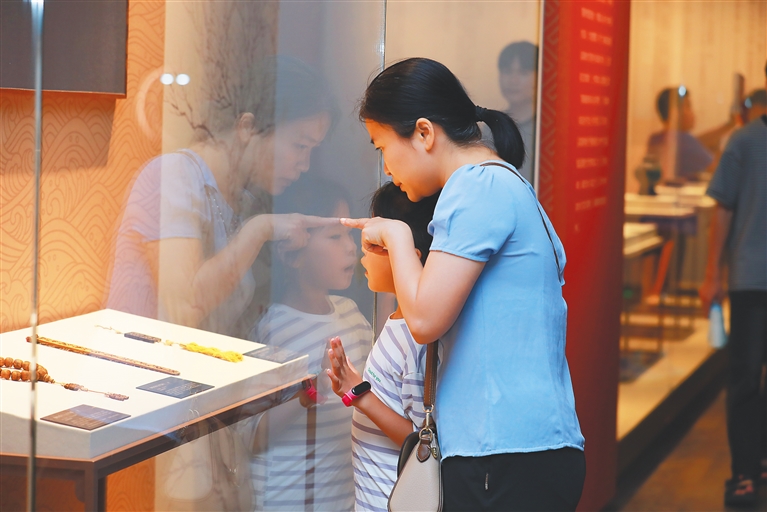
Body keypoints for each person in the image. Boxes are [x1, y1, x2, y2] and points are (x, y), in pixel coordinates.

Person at [342, 57, 585, 511]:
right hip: (523, 451)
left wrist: (397, 235)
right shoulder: (501, 182)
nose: (387, 167)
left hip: (502, 453)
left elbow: (424, 320)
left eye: (382, 147)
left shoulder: (476, 186)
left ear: (423, 133)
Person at [106, 56, 338, 338]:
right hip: (138, 358)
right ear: (247, 127)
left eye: (312, 150)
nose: (305, 165)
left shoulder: (242, 197)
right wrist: (259, 229)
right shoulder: (173, 175)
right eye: (300, 146)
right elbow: (184, 310)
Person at [247, 176, 373, 511]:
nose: (351, 247)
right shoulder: (273, 329)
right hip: (283, 501)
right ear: (292, 255)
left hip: (344, 502)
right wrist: (310, 391)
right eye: (335, 237)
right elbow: (252, 435)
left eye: (349, 235)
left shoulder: (352, 316)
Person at [325, 182, 441, 511]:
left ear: (407, 257)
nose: (361, 251)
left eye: (375, 243)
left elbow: (422, 439)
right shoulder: (400, 321)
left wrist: (359, 395)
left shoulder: (418, 338)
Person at [699, 62, 767, 508]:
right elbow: (722, 209)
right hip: (751, 278)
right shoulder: (744, 141)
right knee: (745, 378)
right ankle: (745, 470)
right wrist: (713, 274)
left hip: (750, 276)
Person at [646, 86, 736, 182]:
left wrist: (729, 125)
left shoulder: (655, 138)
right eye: (688, 106)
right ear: (675, 113)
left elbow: (697, 141)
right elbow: (720, 169)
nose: (692, 112)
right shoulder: (684, 140)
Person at [497, 41, 538, 183]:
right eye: (507, 71)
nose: (513, 80)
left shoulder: (545, 132)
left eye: (523, 73)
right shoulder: (490, 127)